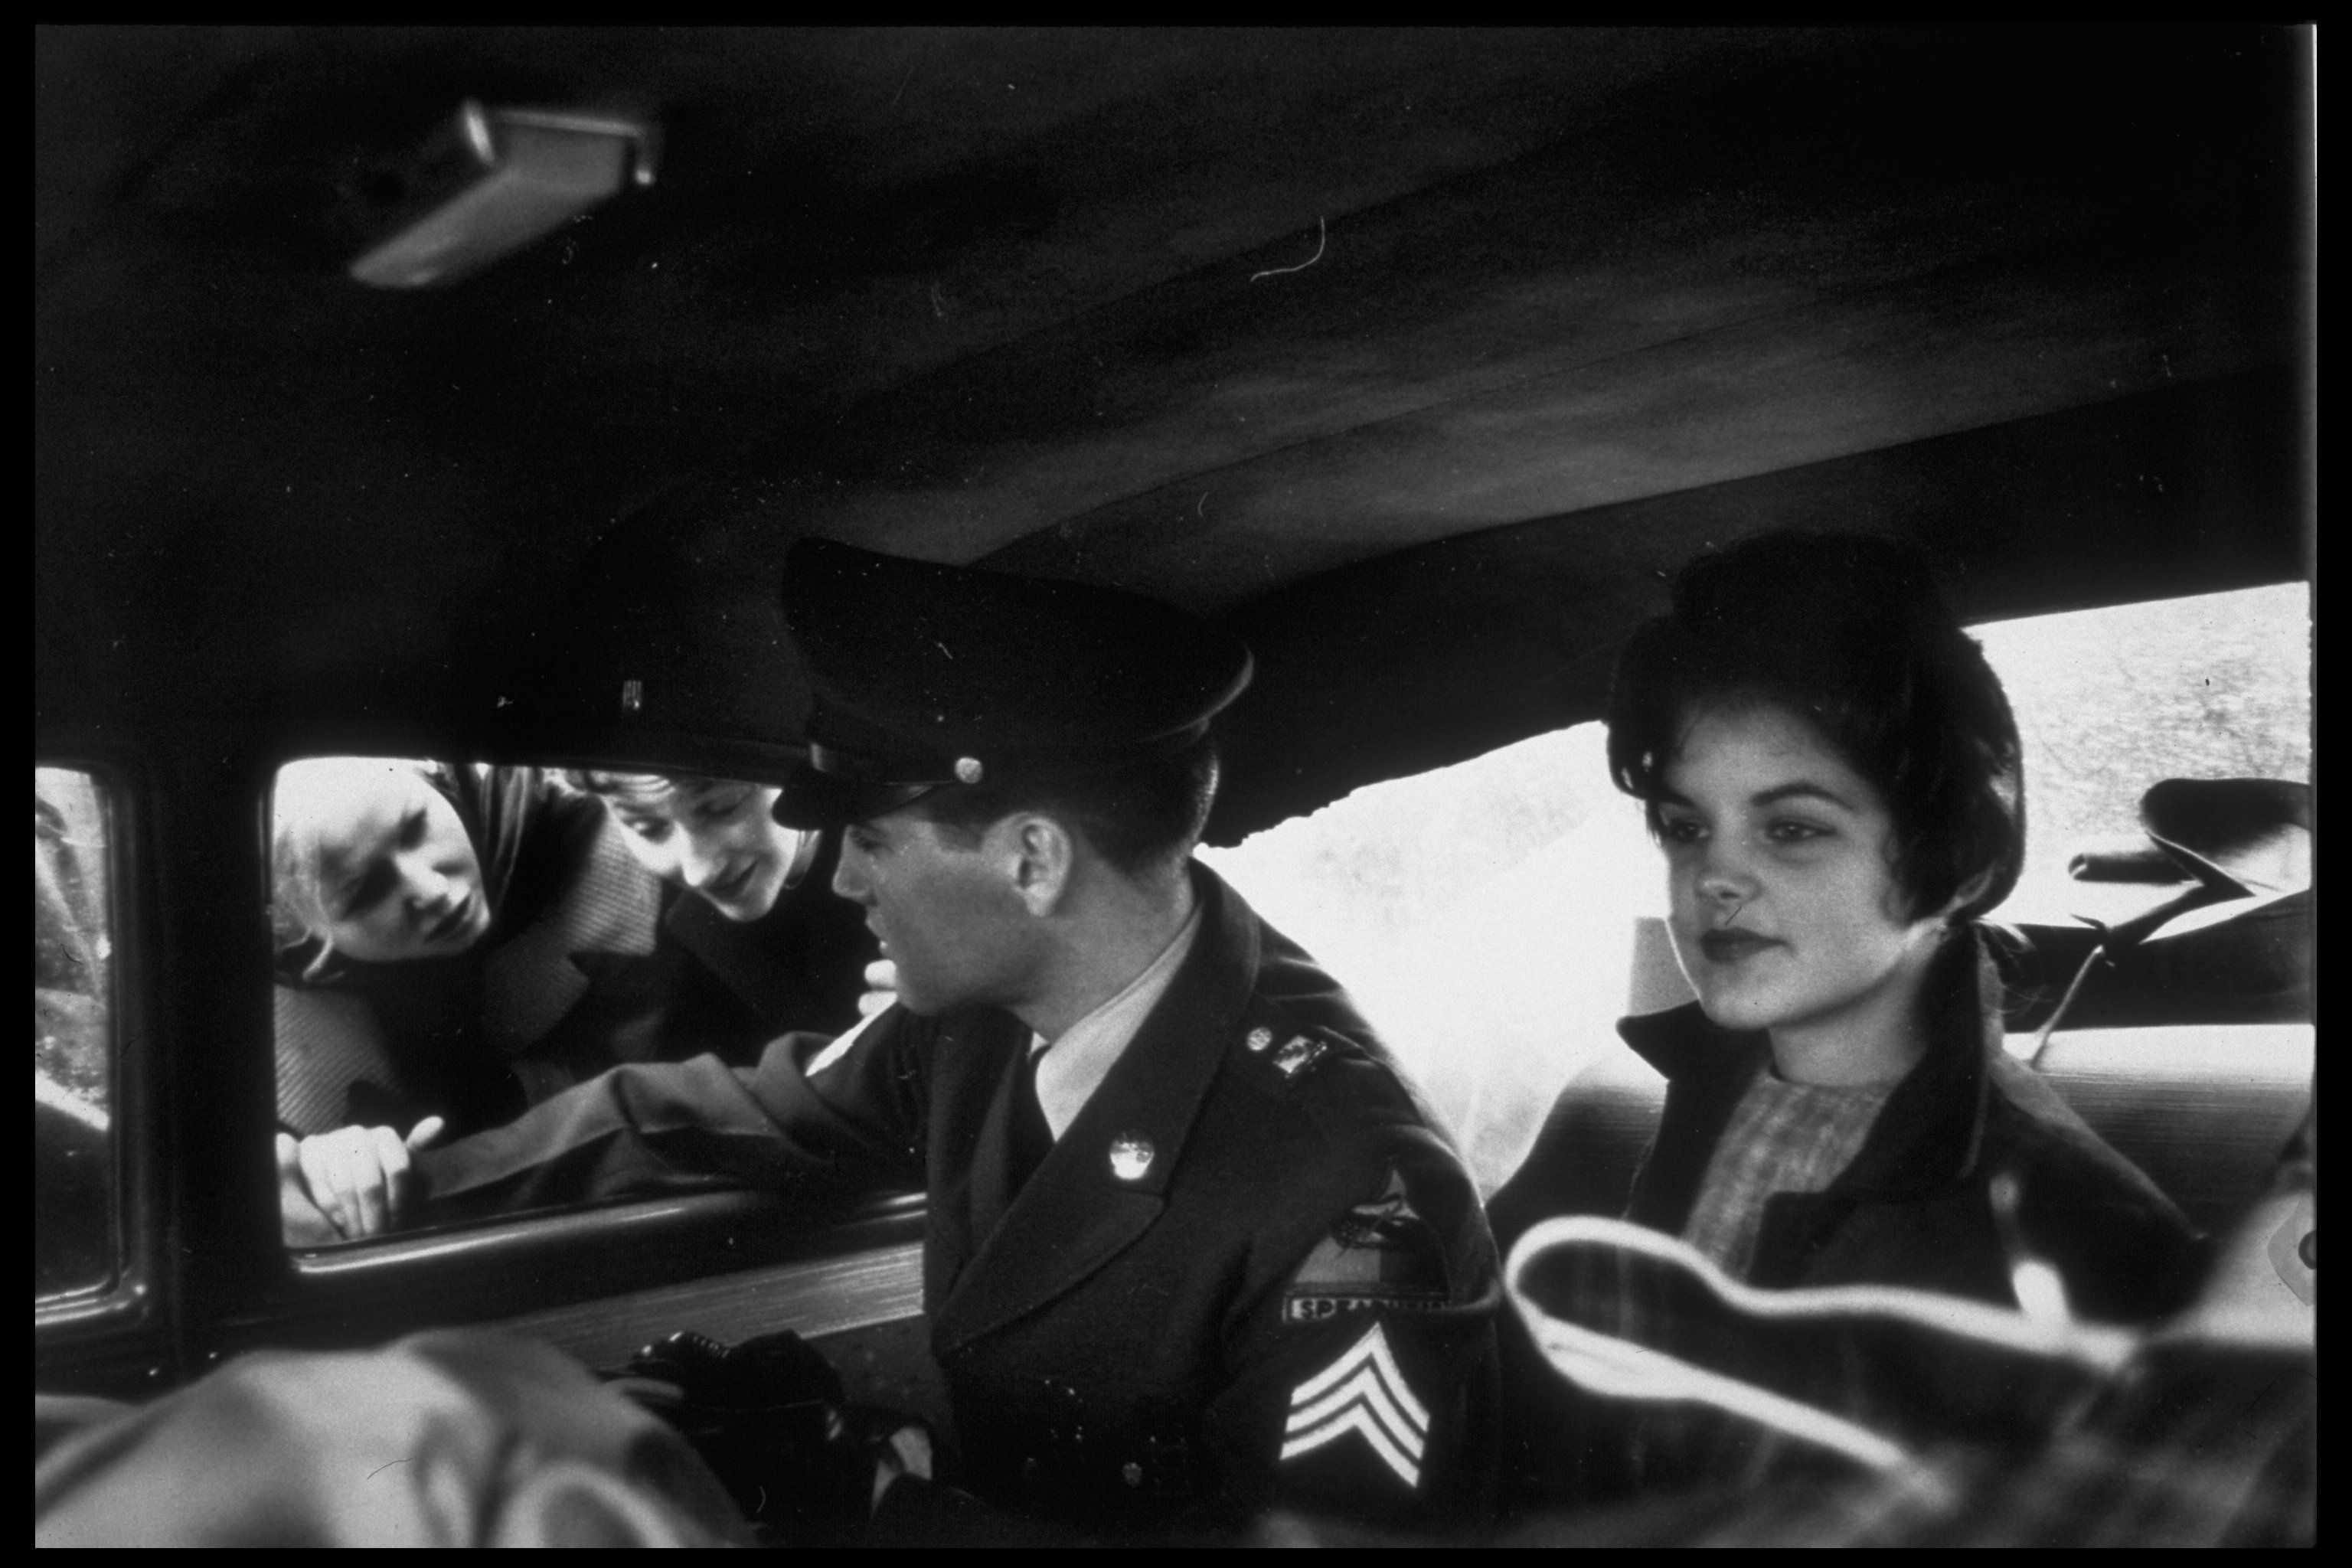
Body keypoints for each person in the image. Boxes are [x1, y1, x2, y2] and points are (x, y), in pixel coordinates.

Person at [285, 539, 1501, 1540]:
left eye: (874, 841)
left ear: (1030, 860)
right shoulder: (977, 1023)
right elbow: (725, 1112)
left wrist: (881, 1508)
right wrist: (404, 1185)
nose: (849, 879)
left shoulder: (1356, 1200)